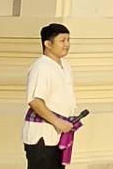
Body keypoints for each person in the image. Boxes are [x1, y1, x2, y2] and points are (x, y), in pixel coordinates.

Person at [23, 23, 79, 169]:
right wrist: (58, 122)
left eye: (68, 40)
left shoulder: (65, 66)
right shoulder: (41, 67)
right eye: (62, 40)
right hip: (42, 135)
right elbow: (35, 101)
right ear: (47, 44)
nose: (67, 44)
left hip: (60, 134)